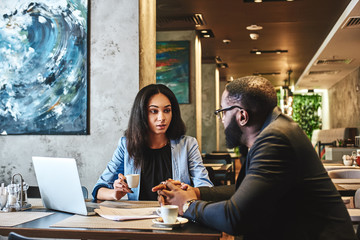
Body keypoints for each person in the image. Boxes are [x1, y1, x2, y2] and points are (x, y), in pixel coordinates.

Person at [153, 76, 356, 239]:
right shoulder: (276, 129)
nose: (222, 120)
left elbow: (236, 218)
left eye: (223, 112)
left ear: (242, 116)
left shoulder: (275, 139)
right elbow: (245, 190)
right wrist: (196, 193)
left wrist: (187, 205)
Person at [92, 84, 213, 201]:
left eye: (167, 110)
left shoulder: (188, 145)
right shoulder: (127, 145)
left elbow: (206, 189)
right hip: (137, 218)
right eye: (154, 111)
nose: (162, 118)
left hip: (177, 216)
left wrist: (187, 191)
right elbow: (98, 189)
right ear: (141, 114)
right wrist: (115, 194)